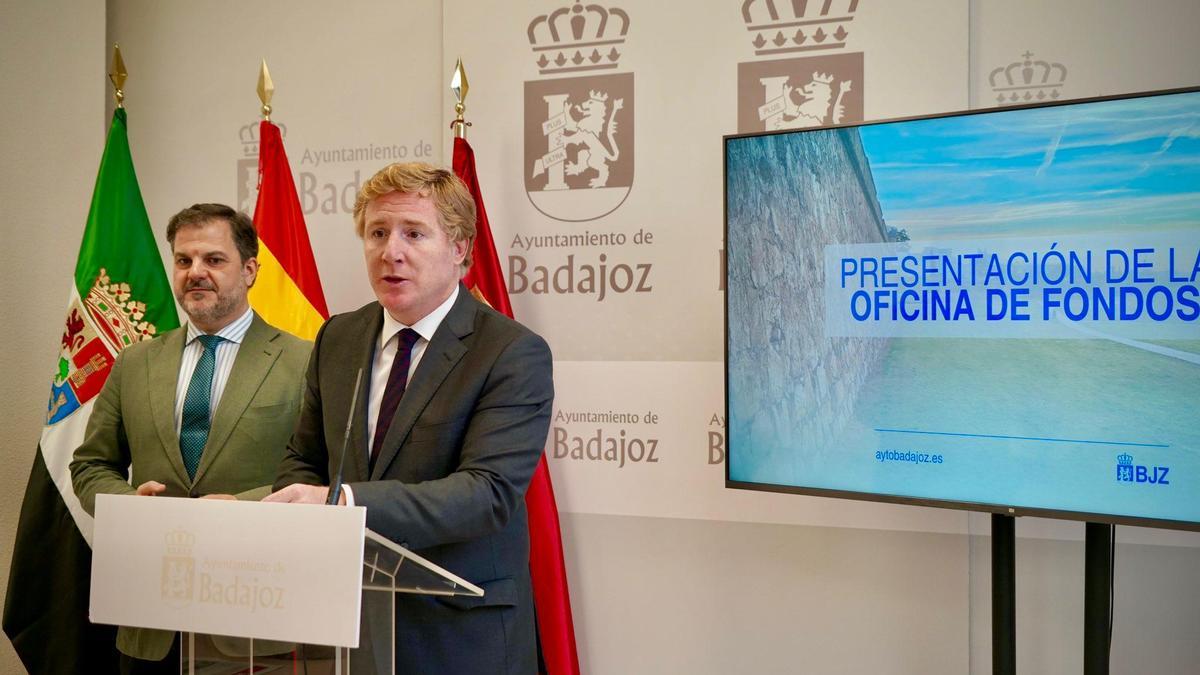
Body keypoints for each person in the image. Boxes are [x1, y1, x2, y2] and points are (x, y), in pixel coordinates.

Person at [266, 162, 552, 674]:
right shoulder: (339, 338)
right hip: (343, 627)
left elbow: (487, 494)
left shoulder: (510, 352)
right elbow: (303, 458)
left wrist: (343, 502)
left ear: (460, 249)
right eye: (377, 233)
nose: (389, 252)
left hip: (458, 636)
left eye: (413, 234)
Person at [71, 203, 311, 673]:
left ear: (249, 270)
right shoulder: (135, 362)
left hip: (254, 621)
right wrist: (129, 504)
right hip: (150, 621)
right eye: (184, 261)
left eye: (213, 260)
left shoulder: (304, 361)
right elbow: (90, 466)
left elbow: (321, 473)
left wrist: (240, 509)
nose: (195, 272)